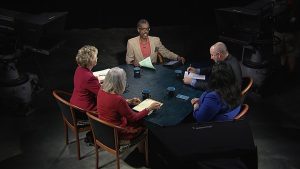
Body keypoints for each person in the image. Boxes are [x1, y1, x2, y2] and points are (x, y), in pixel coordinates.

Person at [97, 67, 161, 141]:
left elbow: (111, 104)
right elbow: (134, 118)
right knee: (144, 125)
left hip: (103, 130)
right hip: (117, 133)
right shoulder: (118, 99)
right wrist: (149, 108)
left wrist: (129, 101)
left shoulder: (101, 90)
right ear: (120, 82)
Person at [70, 45, 100, 111]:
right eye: (95, 57)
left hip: (75, 103)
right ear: (90, 61)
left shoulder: (79, 69)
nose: (97, 58)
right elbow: (102, 93)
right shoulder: (89, 78)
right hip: (85, 109)